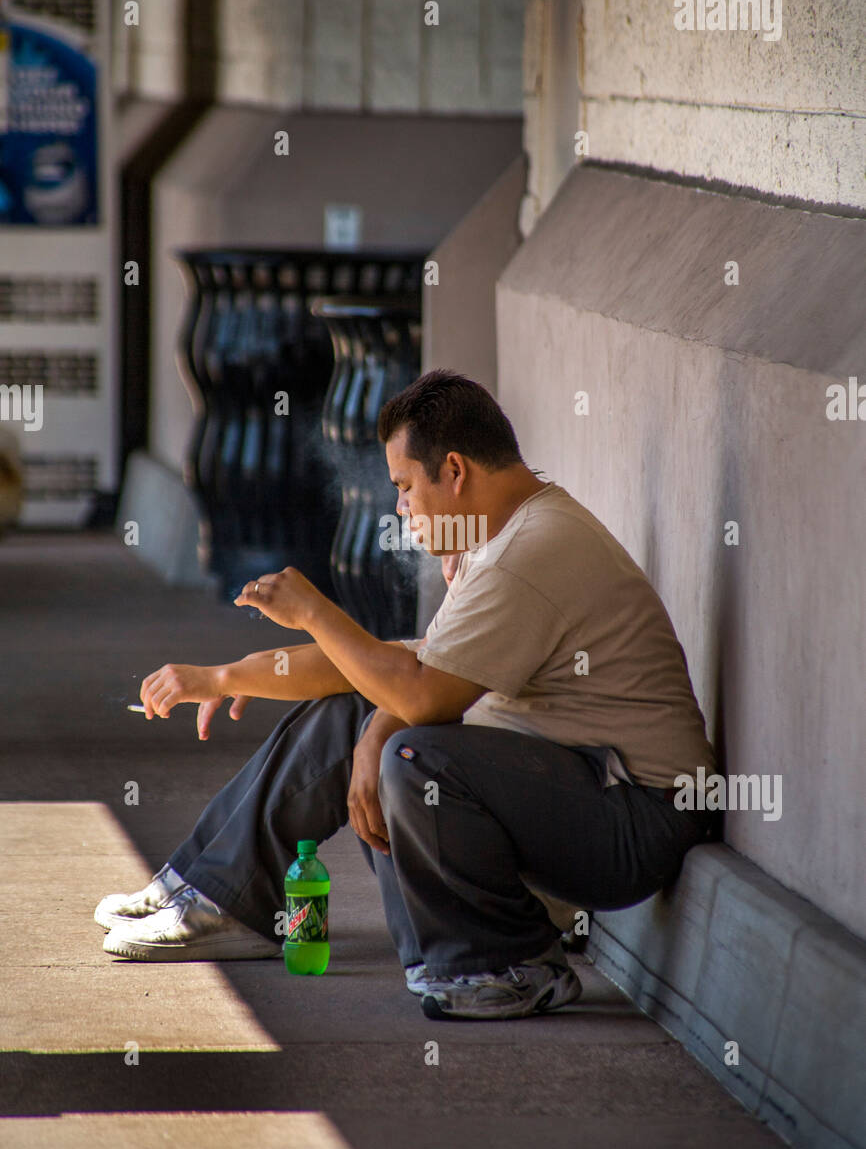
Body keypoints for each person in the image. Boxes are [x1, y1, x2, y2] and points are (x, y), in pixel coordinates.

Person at [97, 370, 717, 1021]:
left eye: (404, 488)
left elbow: (419, 699)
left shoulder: (528, 554)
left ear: (454, 470)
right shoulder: (500, 540)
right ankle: (220, 896)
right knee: (360, 715)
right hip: (585, 793)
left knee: (412, 756)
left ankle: (508, 964)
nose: (400, 508)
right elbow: (396, 670)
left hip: (636, 816)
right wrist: (227, 677)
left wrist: (313, 613)